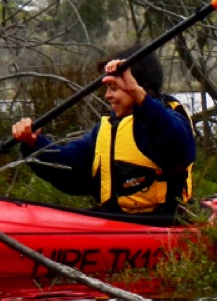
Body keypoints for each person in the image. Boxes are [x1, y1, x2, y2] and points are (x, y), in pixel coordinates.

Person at [12, 46, 196, 214]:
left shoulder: (170, 119)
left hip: (163, 222)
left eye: (114, 88)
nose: (107, 96)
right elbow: (69, 167)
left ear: (138, 87)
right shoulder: (109, 129)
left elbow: (177, 146)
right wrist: (33, 143)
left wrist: (138, 94)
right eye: (107, 88)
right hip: (116, 219)